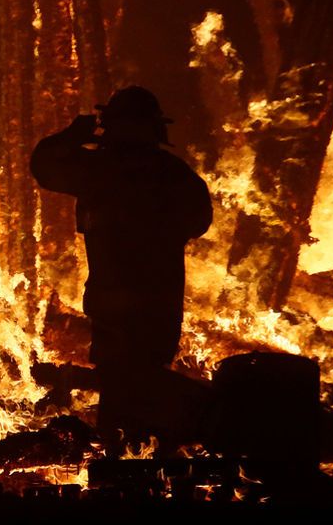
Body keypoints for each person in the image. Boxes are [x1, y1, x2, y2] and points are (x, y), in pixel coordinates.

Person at [30, 86, 212, 446]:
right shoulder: (174, 174)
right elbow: (198, 221)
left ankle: (130, 456)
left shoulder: (98, 169)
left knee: (120, 384)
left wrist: (73, 135)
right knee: (141, 379)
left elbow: (45, 167)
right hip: (159, 301)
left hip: (113, 302)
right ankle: (152, 454)